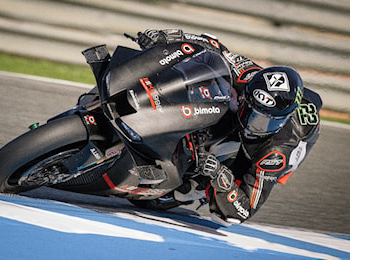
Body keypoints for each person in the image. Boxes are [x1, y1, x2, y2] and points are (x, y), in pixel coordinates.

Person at [136, 29, 323, 225]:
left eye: (264, 122)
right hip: (253, 104)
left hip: (273, 147)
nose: (252, 125)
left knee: (224, 213)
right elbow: (214, 46)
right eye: (251, 112)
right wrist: (168, 37)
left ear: (282, 121)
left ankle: (189, 192)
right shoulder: (249, 76)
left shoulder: (275, 154)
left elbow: (245, 211)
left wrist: (220, 178)